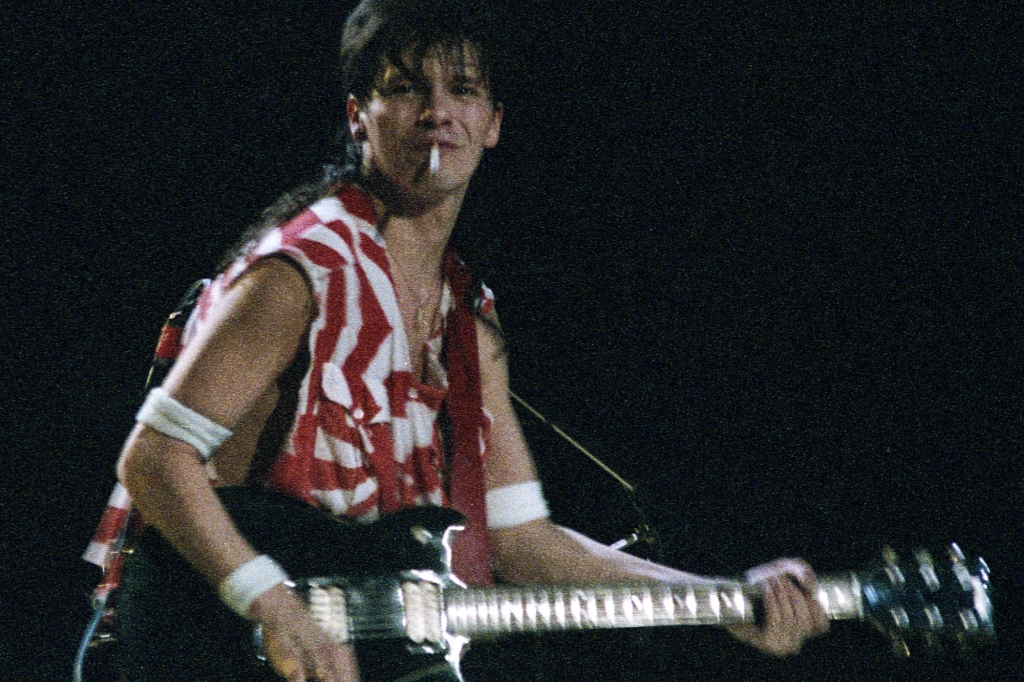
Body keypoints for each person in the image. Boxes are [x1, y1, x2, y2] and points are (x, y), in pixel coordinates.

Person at [110, 1, 828, 680]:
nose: (436, 113)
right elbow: (154, 458)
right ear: (359, 117)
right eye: (405, 88)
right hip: (219, 644)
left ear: (492, 124)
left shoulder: (466, 321)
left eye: (462, 90)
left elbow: (521, 541)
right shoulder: (305, 268)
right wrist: (271, 602)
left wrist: (724, 601)